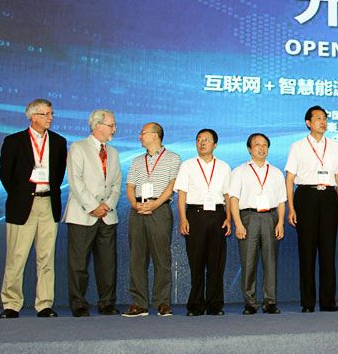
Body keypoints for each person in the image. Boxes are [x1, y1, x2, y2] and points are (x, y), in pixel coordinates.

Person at [0, 99, 67, 319]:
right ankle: (11, 304)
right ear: (33, 116)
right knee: (16, 256)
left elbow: (59, 173)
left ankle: (44, 304)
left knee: (46, 257)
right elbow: (6, 175)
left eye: (51, 114)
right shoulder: (14, 141)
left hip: (49, 203)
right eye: (46, 114)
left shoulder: (58, 142)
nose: (50, 118)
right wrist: (22, 194)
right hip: (22, 205)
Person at [285, 105, 338, 313]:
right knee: (307, 251)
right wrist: (291, 207)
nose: (323, 122)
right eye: (318, 118)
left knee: (328, 251)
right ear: (308, 123)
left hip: (329, 197)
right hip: (306, 196)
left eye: (325, 118)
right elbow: (290, 178)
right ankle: (308, 302)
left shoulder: (335, 146)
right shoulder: (298, 146)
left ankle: (328, 301)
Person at [64, 109, 122, 317]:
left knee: (107, 264)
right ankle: (78, 304)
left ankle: (107, 303)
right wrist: (93, 206)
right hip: (82, 214)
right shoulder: (78, 148)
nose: (114, 129)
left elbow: (116, 184)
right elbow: (75, 181)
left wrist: (107, 205)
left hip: (107, 215)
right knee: (78, 263)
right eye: (111, 125)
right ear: (98, 126)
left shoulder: (113, 152)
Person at [122, 122, 181, 318]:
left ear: (155, 135)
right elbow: (130, 186)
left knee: (161, 258)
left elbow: (172, 185)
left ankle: (162, 303)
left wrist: (155, 204)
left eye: (143, 133)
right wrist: (134, 204)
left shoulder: (173, 158)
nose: (140, 136)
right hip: (137, 210)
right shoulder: (137, 161)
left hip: (160, 209)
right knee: (137, 258)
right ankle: (139, 303)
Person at [175, 128, 232, 316]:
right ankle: (195, 305)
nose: (202, 142)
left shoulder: (223, 167)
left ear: (215, 145)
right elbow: (182, 194)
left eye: (206, 139)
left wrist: (229, 218)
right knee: (196, 262)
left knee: (216, 263)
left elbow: (228, 195)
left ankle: (215, 305)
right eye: (199, 139)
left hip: (217, 215)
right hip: (195, 215)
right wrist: (183, 218)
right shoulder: (187, 165)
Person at [229, 133, 286, 315]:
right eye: (257, 145)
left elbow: (281, 201)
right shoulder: (239, 171)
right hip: (248, 217)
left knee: (270, 261)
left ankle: (270, 302)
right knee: (248, 262)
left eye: (264, 145)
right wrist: (238, 224)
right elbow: (233, 199)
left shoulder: (276, 172)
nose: (261, 148)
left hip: (270, 217)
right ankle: (250, 302)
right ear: (249, 149)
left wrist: (280, 223)